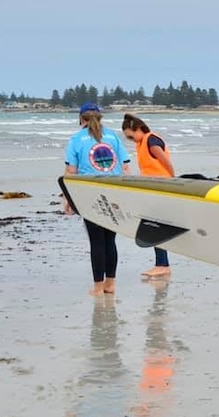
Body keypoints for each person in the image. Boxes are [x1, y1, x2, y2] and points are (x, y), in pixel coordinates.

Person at [63, 102, 131, 296]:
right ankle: (111, 284)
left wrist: (68, 197)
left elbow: (71, 171)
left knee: (96, 241)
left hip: (89, 193)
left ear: (81, 118)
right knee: (110, 240)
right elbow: (125, 167)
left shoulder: (76, 139)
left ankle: (98, 287)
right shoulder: (113, 137)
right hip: (114, 191)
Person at [122, 114, 175, 277]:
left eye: (131, 136)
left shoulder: (151, 140)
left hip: (162, 188)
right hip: (154, 189)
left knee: (155, 226)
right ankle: (161, 263)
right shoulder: (143, 142)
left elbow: (165, 161)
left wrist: (173, 180)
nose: (131, 140)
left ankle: (163, 264)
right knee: (154, 226)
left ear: (137, 129)